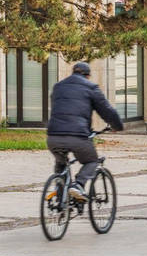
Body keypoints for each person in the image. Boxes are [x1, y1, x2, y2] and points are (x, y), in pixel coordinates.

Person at [46, 61, 124, 201]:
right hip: (77, 136)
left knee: (61, 162)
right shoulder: (91, 88)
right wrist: (117, 126)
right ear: (88, 76)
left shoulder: (58, 87)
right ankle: (78, 185)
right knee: (91, 161)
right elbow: (107, 111)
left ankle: (60, 195)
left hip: (53, 136)